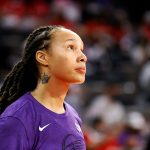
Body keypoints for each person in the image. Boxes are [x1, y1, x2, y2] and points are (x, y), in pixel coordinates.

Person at [0, 25, 87, 149]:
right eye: (71, 47)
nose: (83, 57)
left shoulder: (73, 115)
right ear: (43, 57)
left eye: (81, 49)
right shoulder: (18, 119)